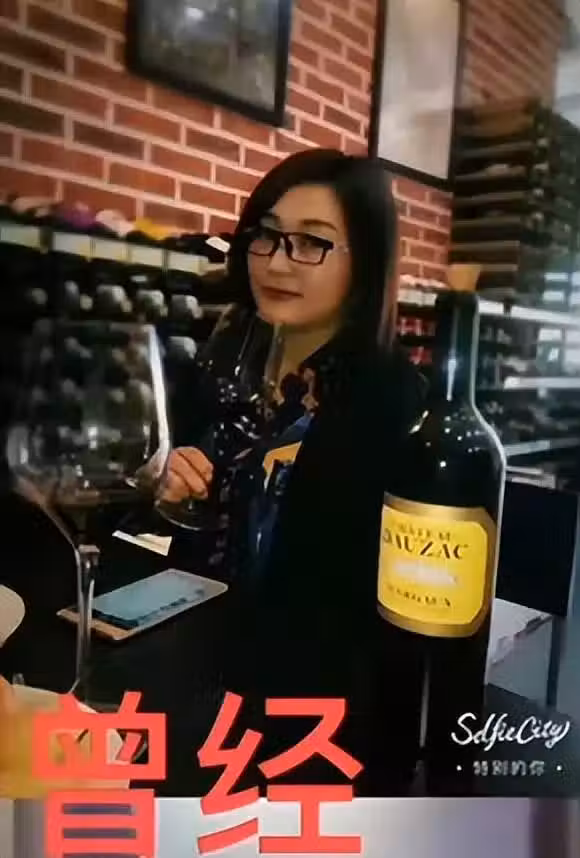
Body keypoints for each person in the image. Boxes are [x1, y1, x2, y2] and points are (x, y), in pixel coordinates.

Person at [156, 149, 427, 790]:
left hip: (307, 717)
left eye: (312, 243)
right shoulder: (227, 358)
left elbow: (361, 621)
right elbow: (169, 486)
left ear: (365, 263)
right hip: (194, 665)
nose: (277, 262)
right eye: (267, 235)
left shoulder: (397, 406)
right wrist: (163, 480)